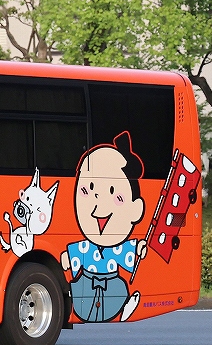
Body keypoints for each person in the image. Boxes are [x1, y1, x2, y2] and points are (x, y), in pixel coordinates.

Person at [60, 132, 149, 323]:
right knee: (81, 292)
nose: (98, 202)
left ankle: (124, 307)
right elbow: (75, 254)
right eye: (87, 190)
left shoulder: (117, 248)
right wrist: (67, 258)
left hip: (112, 283)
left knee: (119, 290)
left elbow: (128, 251)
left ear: (135, 210)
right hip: (87, 280)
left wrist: (139, 248)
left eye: (116, 196)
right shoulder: (85, 246)